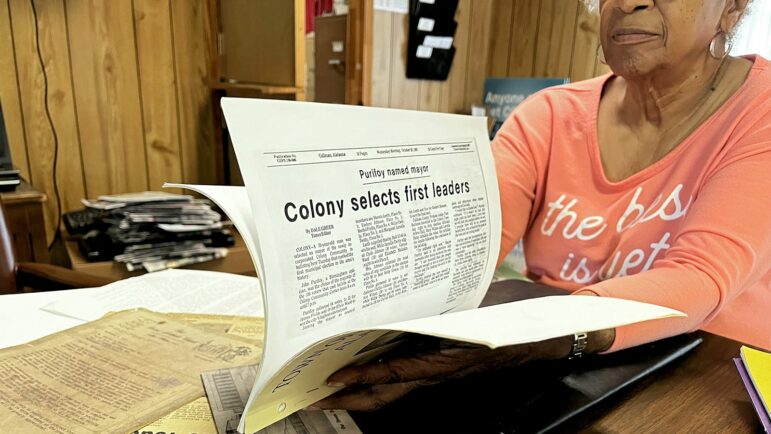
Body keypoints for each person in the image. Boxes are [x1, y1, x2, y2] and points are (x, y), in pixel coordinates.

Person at [313, 0, 771, 411]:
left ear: (733, 6)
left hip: (712, 378)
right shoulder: (547, 115)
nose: (628, 2)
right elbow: (470, 241)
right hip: (554, 363)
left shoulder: (761, 112)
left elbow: (700, 278)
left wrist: (550, 331)